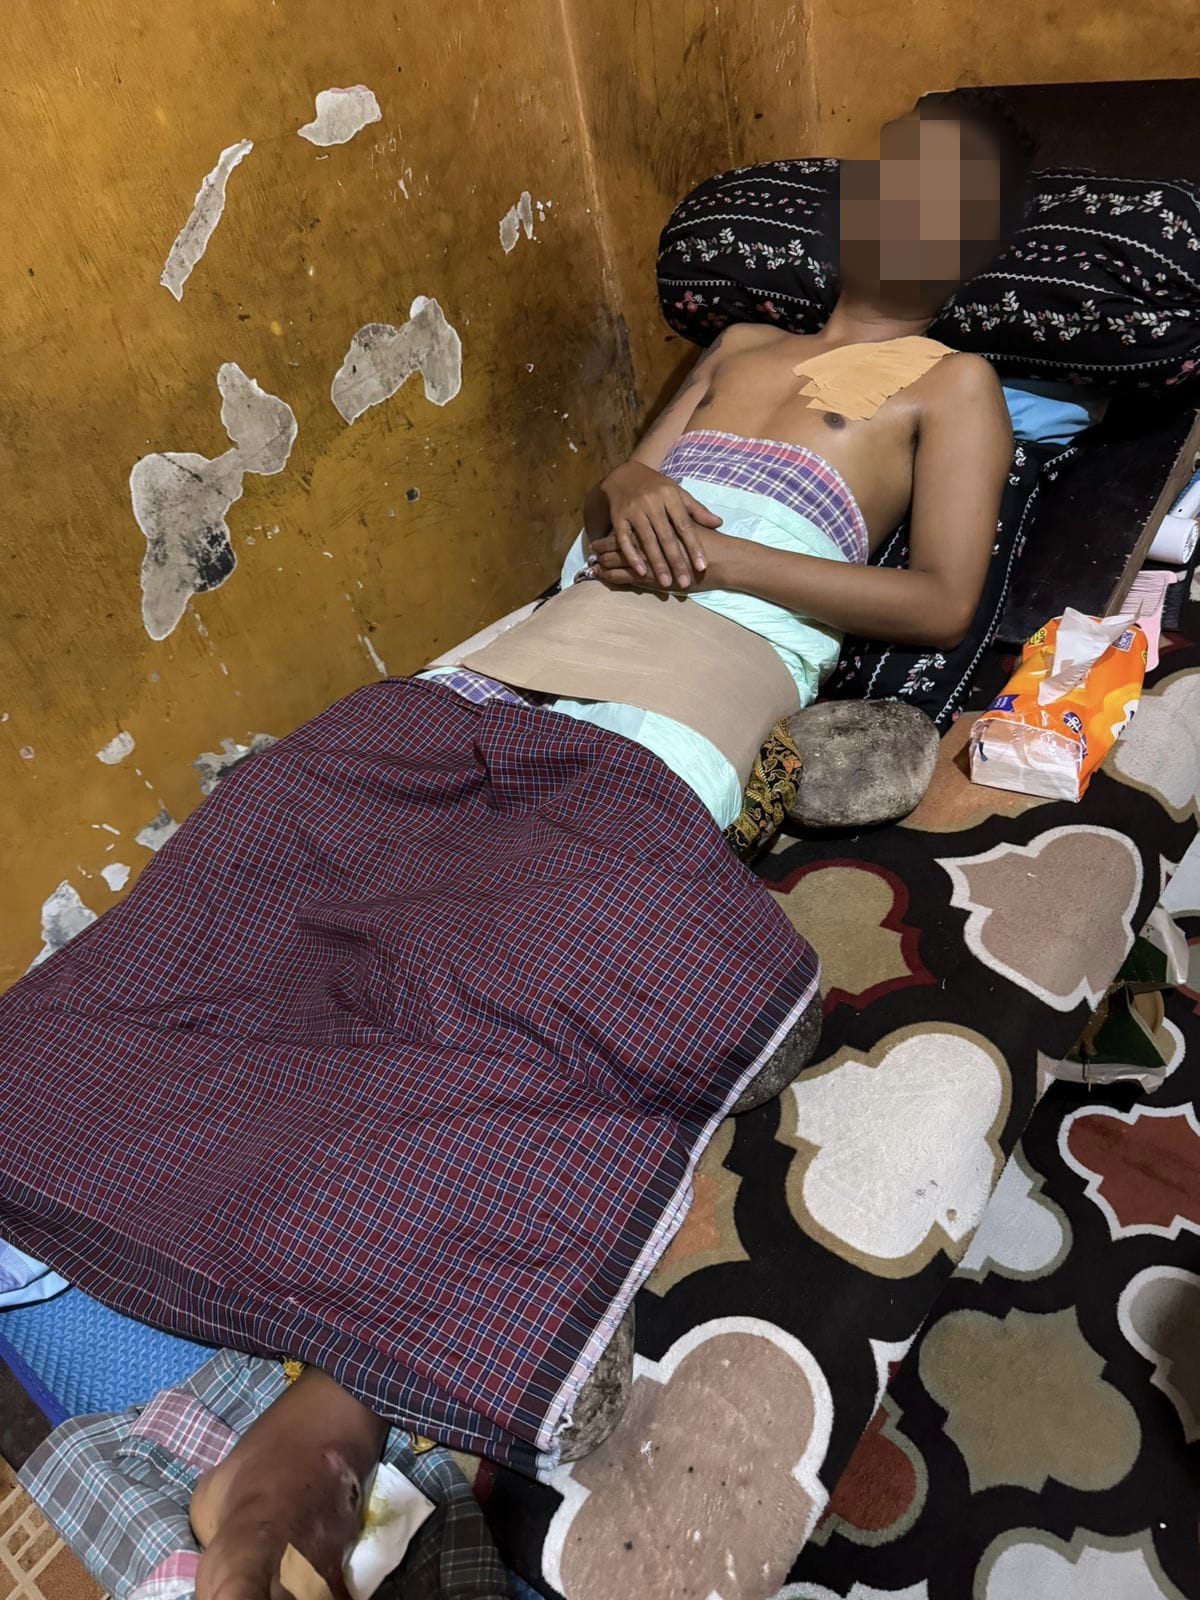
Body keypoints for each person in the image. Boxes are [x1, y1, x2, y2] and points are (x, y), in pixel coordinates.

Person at [3, 97, 1029, 1600]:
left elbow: (942, 600)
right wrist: (627, 487)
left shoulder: (954, 383)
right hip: (513, 658)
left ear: (981, 241)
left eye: (952, 191)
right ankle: (105, 1191)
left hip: (692, 689)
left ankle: (322, 1431)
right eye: (895, 172)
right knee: (267, 851)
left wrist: (722, 552)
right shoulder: (741, 345)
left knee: (497, 965)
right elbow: (618, 501)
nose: (911, 200)